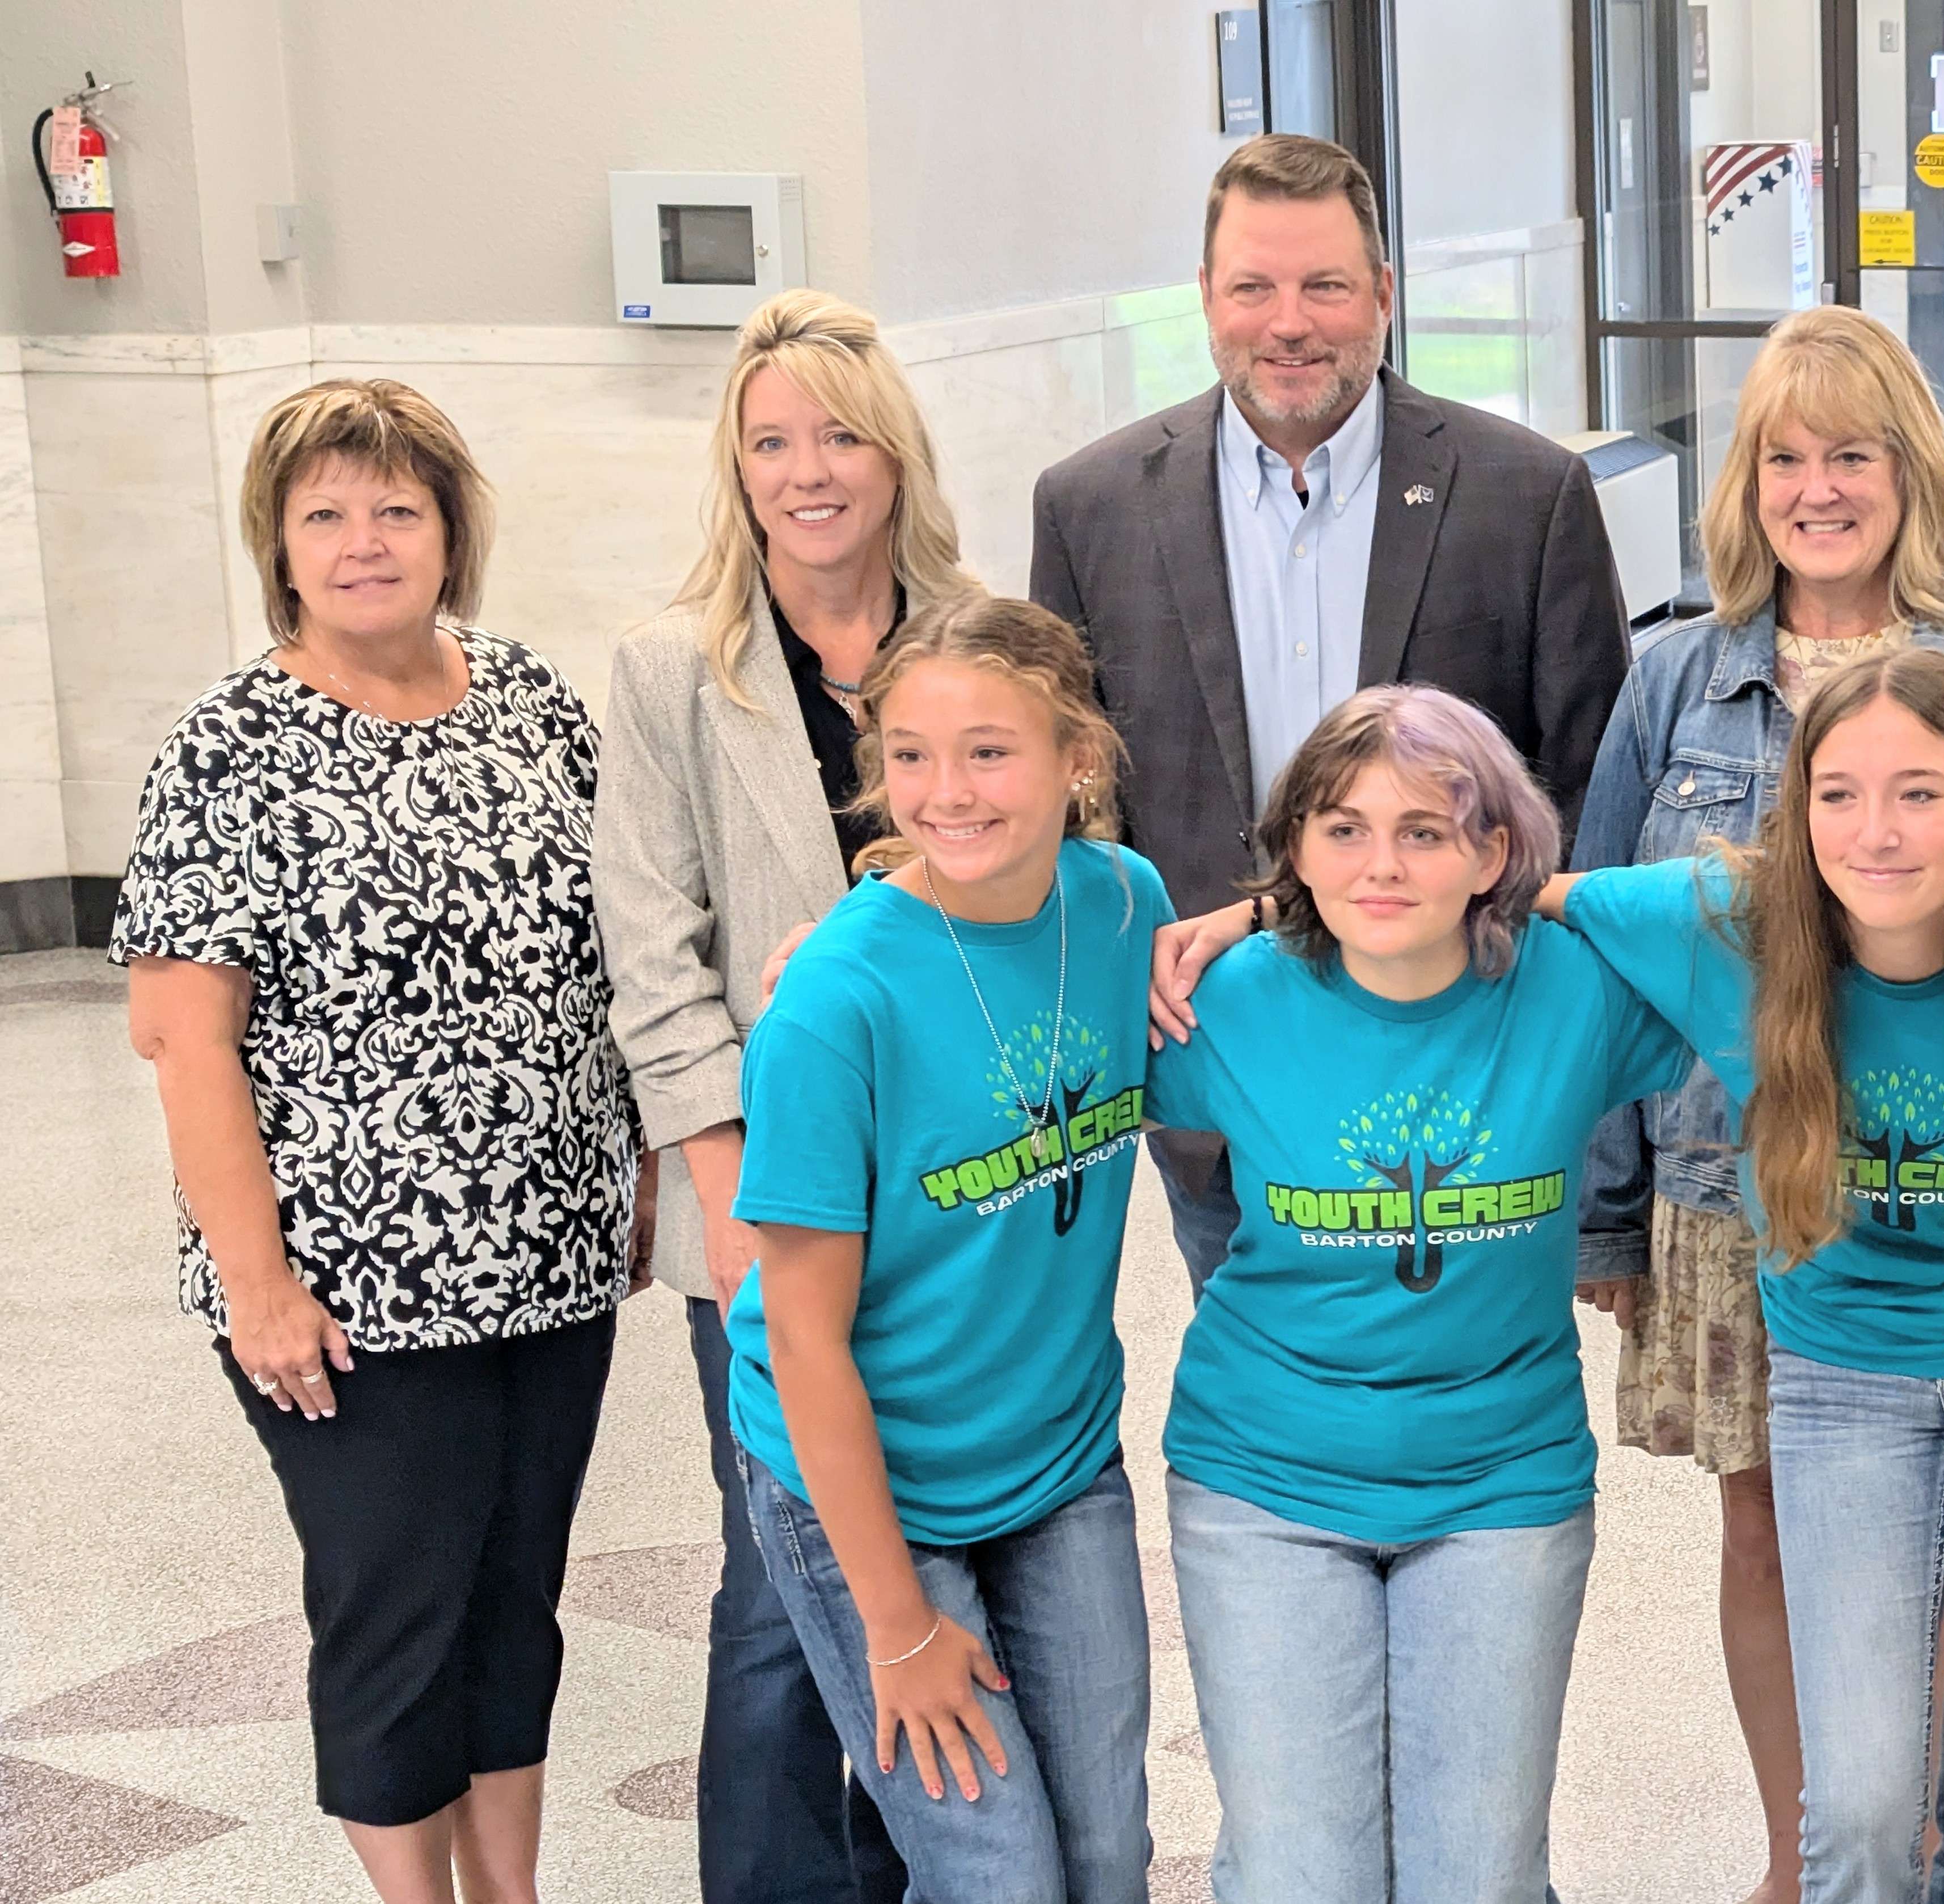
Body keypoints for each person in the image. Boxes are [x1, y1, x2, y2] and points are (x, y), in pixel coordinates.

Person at [1563, 303, 1944, 1904]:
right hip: (1729, 1187)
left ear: (1909, 469)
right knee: (1767, 1532)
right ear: (1747, 484)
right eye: (1784, 455)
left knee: (1926, 1547)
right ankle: (1814, 1856)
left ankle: (1923, 1837)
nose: (1818, 486)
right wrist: (1604, 1207)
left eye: (1850, 451)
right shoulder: (1673, 681)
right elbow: (1604, 958)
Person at [117, 379, 642, 1904]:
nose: (365, 542)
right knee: (393, 1604)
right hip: (347, 1291)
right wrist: (258, 1282)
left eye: (397, 509)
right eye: (327, 514)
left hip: (549, 1262)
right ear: (279, 546)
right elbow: (183, 1037)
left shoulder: (533, 698)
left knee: (514, 1601)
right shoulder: (229, 745)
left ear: (449, 530)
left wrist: (646, 1167)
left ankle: (512, 1892)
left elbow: (619, 950)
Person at [1559, 648, 1944, 1904]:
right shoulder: (1729, 922)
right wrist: (1250, 917)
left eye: (1919, 791)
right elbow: (1498, 886)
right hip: (1845, 1367)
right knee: (1855, 1801)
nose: (1877, 830)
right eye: (1839, 793)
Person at [1029, 131, 1632, 1290]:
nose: (1289, 321)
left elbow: (1587, 785)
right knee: (1266, 1386)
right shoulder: (1089, 509)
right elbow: (1073, 804)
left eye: (1326, 285)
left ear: (1386, 296)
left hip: (1467, 1064)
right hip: (1222, 1064)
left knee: (1466, 1398)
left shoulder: (1525, 495)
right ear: (1206, 298)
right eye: (1253, 286)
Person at [1136, 685, 1690, 1903]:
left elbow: (1757, 919)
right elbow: (1008, 1015)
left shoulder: (1573, 987)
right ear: (1292, 851)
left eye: (1427, 831)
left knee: (1477, 1879)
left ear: (1491, 846)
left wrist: (1553, 889)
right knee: (1298, 1878)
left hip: (1501, 1479)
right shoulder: (1222, 998)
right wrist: (857, 937)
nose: (1380, 863)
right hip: (1266, 1476)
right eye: (1341, 829)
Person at [598, 286, 975, 1904]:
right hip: (761, 1207)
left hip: (957, 1206)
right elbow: (653, 956)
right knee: (776, 1582)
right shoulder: (670, 672)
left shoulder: (981, 643)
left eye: (836, 433)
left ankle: (917, 1870)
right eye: (771, 442)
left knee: (936, 1552)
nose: (806, 469)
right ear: (736, 471)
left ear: (892, 454)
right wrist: (727, 1184)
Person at [729, 596, 1164, 1904]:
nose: (945, 791)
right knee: (998, 1876)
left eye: (989, 750)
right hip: (866, 1486)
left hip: (1056, 1454)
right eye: (910, 754)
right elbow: (803, 1339)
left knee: (1107, 1854)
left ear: (1078, 754)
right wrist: (899, 1626)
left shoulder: (1124, 902)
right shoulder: (835, 1001)